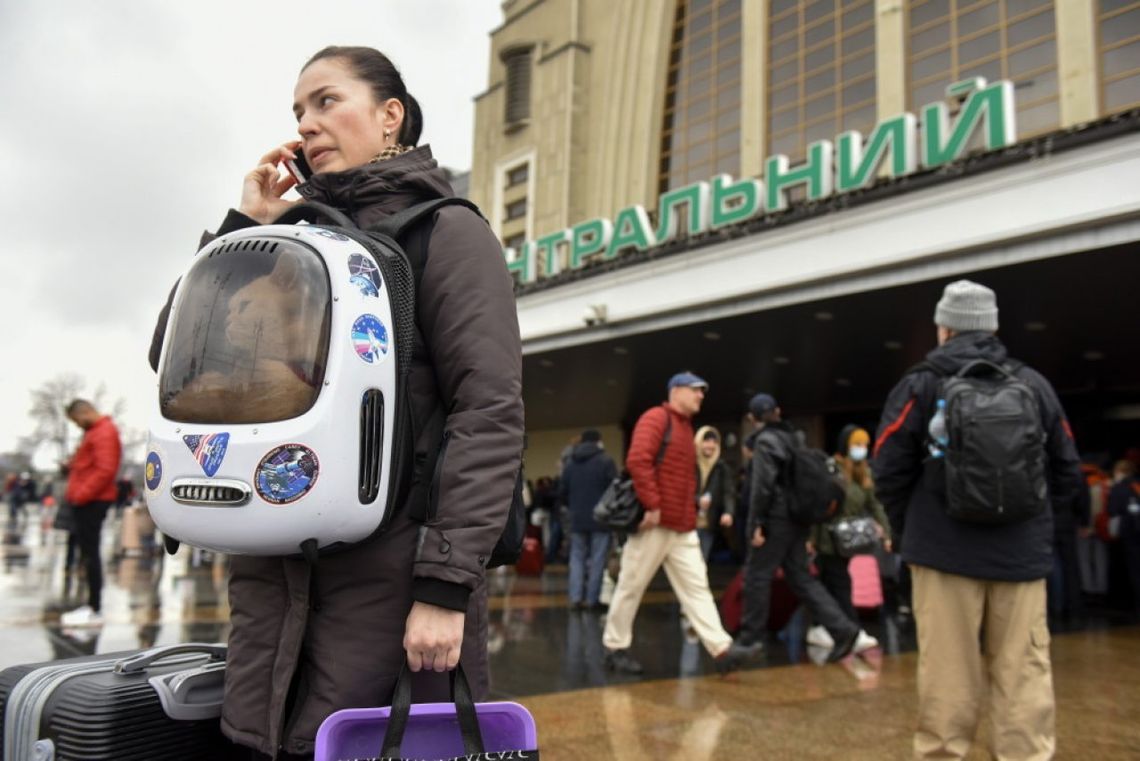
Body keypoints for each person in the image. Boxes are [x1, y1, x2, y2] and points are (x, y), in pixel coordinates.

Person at [148, 46, 523, 760]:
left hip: (389, 584)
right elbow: (177, 358)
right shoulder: (283, 242)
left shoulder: (446, 231)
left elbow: (488, 409)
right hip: (272, 582)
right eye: (297, 112)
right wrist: (241, 225)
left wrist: (444, 588)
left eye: (327, 101)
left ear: (390, 116)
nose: (307, 123)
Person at [872, 280, 1081, 760]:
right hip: (1020, 561)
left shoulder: (920, 383)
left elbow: (887, 465)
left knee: (948, 679)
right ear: (994, 328)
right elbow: (1067, 467)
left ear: (943, 328)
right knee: (1023, 673)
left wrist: (914, 529)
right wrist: (1036, 529)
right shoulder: (1033, 385)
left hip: (942, 558)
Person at [602, 372, 758, 675]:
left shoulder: (686, 428)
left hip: (682, 526)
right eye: (696, 390)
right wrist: (653, 505)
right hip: (656, 523)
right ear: (676, 391)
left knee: (697, 588)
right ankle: (614, 647)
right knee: (631, 586)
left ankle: (721, 649)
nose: (701, 396)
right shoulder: (656, 418)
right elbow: (638, 460)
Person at [733, 394, 870, 662]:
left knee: (757, 575)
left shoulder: (765, 442)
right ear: (778, 412)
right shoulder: (793, 438)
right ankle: (843, 630)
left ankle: (750, 639)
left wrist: (756, 524)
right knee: (800, 577)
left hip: (776, 518)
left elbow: (762, 487)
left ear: (752, 419)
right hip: (798, 518)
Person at [805, 426, 890, 651]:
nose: (861, 450)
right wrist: (811, 538)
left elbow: (874, 504)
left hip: (849, 541)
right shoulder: (832, 469)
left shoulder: (864, 472)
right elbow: (819, 504)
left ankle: (819, 627)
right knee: (840, 583)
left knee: (826, 583)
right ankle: (852, 630)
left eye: (864, 445)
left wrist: (886, 531)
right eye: (857, 444)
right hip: (828, 538)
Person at [59, 400, 122, 628]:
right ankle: (92, 606)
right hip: (88, 499)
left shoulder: (104, 432)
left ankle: (94, 608)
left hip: (92, 501)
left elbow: (105, 470)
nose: (78, 426)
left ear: (84, 412)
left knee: (90, 554)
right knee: (87, 553)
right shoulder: (96, 432)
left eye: (76, 421)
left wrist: (81, 495)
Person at [559, 429, 617, 610]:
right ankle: (592, 600)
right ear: (598, 441)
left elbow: (562, 492)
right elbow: (615, 490)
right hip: (600, 519)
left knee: (576, 558)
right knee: (597, 559)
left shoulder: (570, 464)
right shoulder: (606, 461)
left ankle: (575, 598)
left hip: (576, 519)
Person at [694, 426, 736, 562]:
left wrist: (728, 512)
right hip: (688, 522)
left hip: (708, 523)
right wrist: (697, 500)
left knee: (701, 562)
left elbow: (728, 492)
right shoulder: (690, 464)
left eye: (714, 441)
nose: (710, 445)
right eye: (706, 441)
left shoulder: (721, 467)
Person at [1107, 459, 1140, 613]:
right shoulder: (1137, 485)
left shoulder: (1119, 488)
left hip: (1129, 532)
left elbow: (1112, 509)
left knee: (1133, 568)